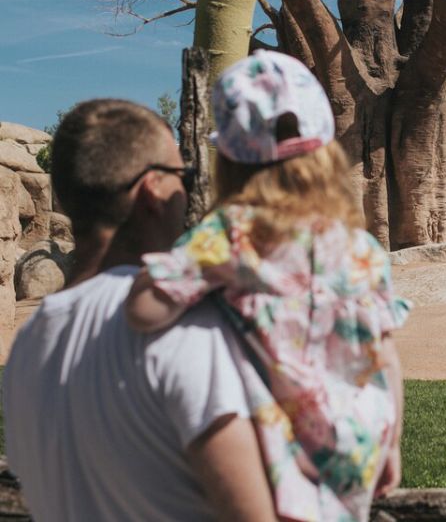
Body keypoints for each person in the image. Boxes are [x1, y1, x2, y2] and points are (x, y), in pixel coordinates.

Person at [125, 50, 409, 522]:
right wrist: (392, 443)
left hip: (286, 451)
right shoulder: (363, 250)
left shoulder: (235, 234)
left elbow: (145, 312)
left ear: (232, 162)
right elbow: (387, 356)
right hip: (363, 439)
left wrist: (144, 275)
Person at [2, 99, 277, 521]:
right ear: (153, 189)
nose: (186, 190)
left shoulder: (27, 347)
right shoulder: (185, 326)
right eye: (182, 176)